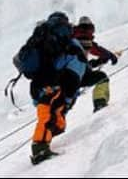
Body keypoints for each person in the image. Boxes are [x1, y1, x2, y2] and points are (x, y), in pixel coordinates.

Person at [29, 11, 88, 164]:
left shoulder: (42, 40)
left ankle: (42, 143)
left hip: (41, 82)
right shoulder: (64, 39)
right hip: (53, 82)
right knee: (49, 115)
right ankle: (40, 149)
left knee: (53, 115)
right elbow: (71, 62)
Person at [72, 16, 120, 113]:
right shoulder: (84, 37)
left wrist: (96, 62)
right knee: (102, 77)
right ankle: (100, 103)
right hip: (77, 76)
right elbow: (97, 50)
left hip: (66, 75)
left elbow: (78, 61)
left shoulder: (72, 38)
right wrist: (110, 56)